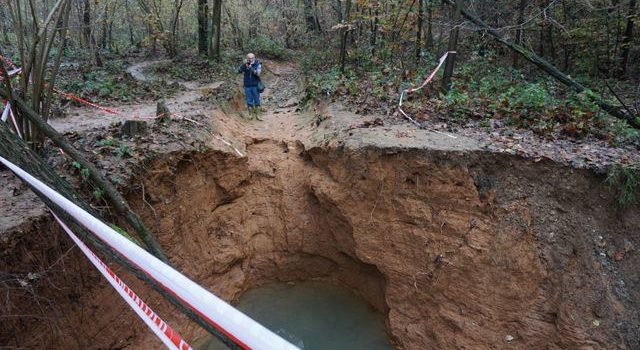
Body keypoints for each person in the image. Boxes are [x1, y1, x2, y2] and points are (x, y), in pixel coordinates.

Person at [237, 53, 263, 121]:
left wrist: (250, 67)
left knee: (257, 100)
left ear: (254, 58)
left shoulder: (258, 64)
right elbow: (238, 71)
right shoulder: (245, 65)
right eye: (249, 58)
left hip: (255, 85)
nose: (250, 59)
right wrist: (244, 65)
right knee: (249, 100)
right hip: (247, 85)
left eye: (252, 58)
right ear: (247, 58)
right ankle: (250, 114)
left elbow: (258, 73)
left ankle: (258, 115)